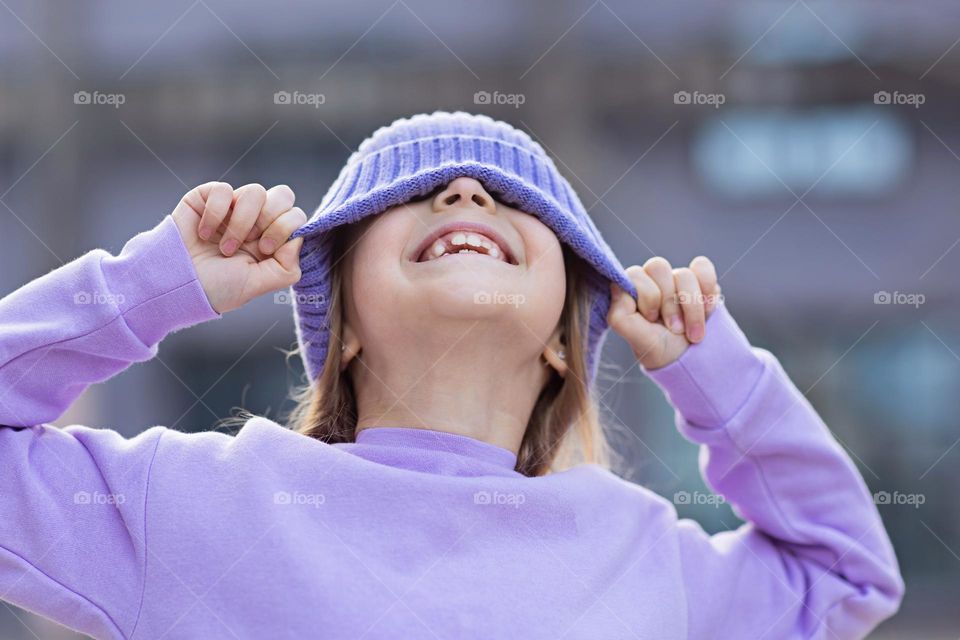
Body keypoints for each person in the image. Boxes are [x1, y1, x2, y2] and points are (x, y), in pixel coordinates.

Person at [0, 111, 903, 639]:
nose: (467, 193)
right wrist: (153, 287)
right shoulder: (202, 505)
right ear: (341, 320)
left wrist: (720, 378)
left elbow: (846, 571)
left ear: (562, 332)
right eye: (411, 194)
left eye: (511, 199)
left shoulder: (646, 552)